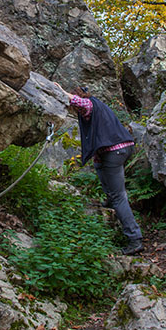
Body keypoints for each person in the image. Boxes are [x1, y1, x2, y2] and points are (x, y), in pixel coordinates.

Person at [55, 83, 144, 255]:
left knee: (119, 197)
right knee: (99, 165)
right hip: (120, 148)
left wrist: (59, 91)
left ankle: (135, 238)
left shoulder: (89, 106)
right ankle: (111, 199)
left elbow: (81, 103)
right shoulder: (99, 106)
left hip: (114, 151)